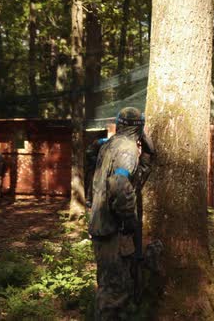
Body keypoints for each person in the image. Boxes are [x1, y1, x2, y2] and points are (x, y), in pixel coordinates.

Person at [89, 107, 155, 320]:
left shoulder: (109, 146)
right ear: (139, 129)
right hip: (114, 230)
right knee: (114, 293)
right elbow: (119, 183)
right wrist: (129, 220)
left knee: (110, 285)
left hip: (103, 227)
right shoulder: (127, 150)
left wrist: (146, 157)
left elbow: (133, 181)